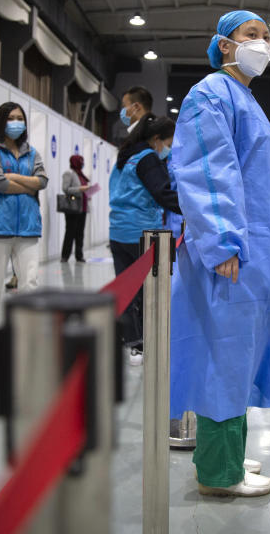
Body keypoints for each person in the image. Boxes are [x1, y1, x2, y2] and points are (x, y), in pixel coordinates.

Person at [169, 10, 270, 497]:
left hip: (256, 248)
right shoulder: (210, 95)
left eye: (266, 37)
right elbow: (207, 171)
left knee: (242, 352)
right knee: (223, 354)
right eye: (251, 35)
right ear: (224, 44)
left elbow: (264, 184)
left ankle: (230, 455)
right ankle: (219, 475)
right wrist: (222, 241)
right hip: (231, 251)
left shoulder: (245, 100)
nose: (262, 44)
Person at [108, 113, 180, 365]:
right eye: (169, 143)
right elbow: (163, 193)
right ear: (157, 139)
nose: (169, 150)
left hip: (118, 230)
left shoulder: (127, 156)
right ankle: (142, 343)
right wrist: (194, 211)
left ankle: (131, 342)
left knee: (126, 287)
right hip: (141, 231)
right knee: (148, 290)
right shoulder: (148, 157)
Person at [0, 102, 48, 346]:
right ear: (1, 121)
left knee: (29, 280)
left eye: (20, 118)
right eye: (11, 118)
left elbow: (42, 181)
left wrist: (15, 177)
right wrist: (26, 187)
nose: (16, 122)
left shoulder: (32, 152)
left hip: (28, 226)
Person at [61, 154, 91, 262]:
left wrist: (88, 192)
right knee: (70, 232)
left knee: (80, 233)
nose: (82, 164)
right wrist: (80, 189)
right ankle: (65, 256)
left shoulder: (82, 175)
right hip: (73, 207)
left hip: (82, 208)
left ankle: (79, 255)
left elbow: (84, 190)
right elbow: (65, 189)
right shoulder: (69, 173)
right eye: (80, 161)